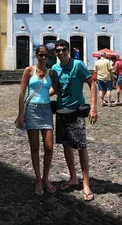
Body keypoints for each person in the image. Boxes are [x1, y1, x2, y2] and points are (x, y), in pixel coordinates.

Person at [51, 40, 98, 202]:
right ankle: (73, 177)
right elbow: (56, 89)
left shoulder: (78, 65)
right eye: (57, 51)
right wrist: (38, 95)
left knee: (81, 147)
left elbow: (92, 84)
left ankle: (86, 183)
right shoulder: (55, 69)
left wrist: (93, 107)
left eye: (63, 50)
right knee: (66, 145)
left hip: (77, 113)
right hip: (61, 111)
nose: (61, 53)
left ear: (68, 51)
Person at [16, 45, 57, 195]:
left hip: (46, 110)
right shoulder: (29, 71)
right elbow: (21, 93)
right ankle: (38, 180)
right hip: (31, 109)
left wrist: (45, 93)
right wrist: (21, 114)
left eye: (46, 55)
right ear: (36, 56)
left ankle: (45, 178)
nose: (43, 58)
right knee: (34, 148)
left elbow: (56, 89)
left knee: (49, 147)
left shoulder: (50, 73)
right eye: (41, 55)